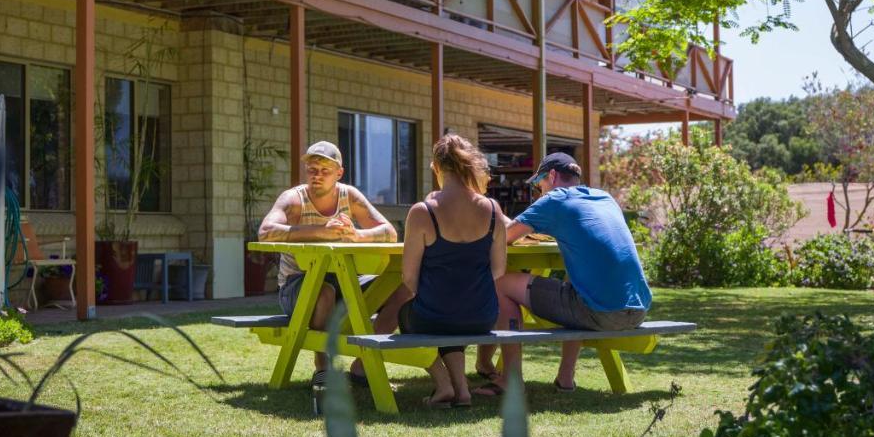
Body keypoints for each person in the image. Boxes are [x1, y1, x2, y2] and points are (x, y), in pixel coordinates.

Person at [474, 152, 650, 395]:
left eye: (538, 184)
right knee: (575, 280)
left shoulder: (555, 199)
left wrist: (486, 209)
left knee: (502, 283)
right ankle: (565, 379)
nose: (539, 192)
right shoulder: (604, 197)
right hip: (638, 310)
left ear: (553, 176)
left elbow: (506, 236)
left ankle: (511, 380)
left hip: (602, 312)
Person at [368, 134, 505, 407]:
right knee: (447, 313)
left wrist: (439, 293)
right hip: (483, 316)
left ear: (436, 168)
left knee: (410, 313)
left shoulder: (422, 212)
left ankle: (443, 385)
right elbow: (499, 269)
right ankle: (462, 391)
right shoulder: (492, 209)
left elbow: (408, 276)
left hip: (435, 314)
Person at [257, 140, 397, 384]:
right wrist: (321, 231)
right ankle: (323, 366)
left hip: (347, 280)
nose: (317, 176)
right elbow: (266, 232)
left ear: (339, 173)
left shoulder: (349, 195)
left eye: (325, 171)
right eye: (312, 169)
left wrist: (357, 235)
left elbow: (389, 232)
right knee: (324, 292)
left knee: (399, 286)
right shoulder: (294, 199)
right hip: (297, 284)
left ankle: (364, 365)